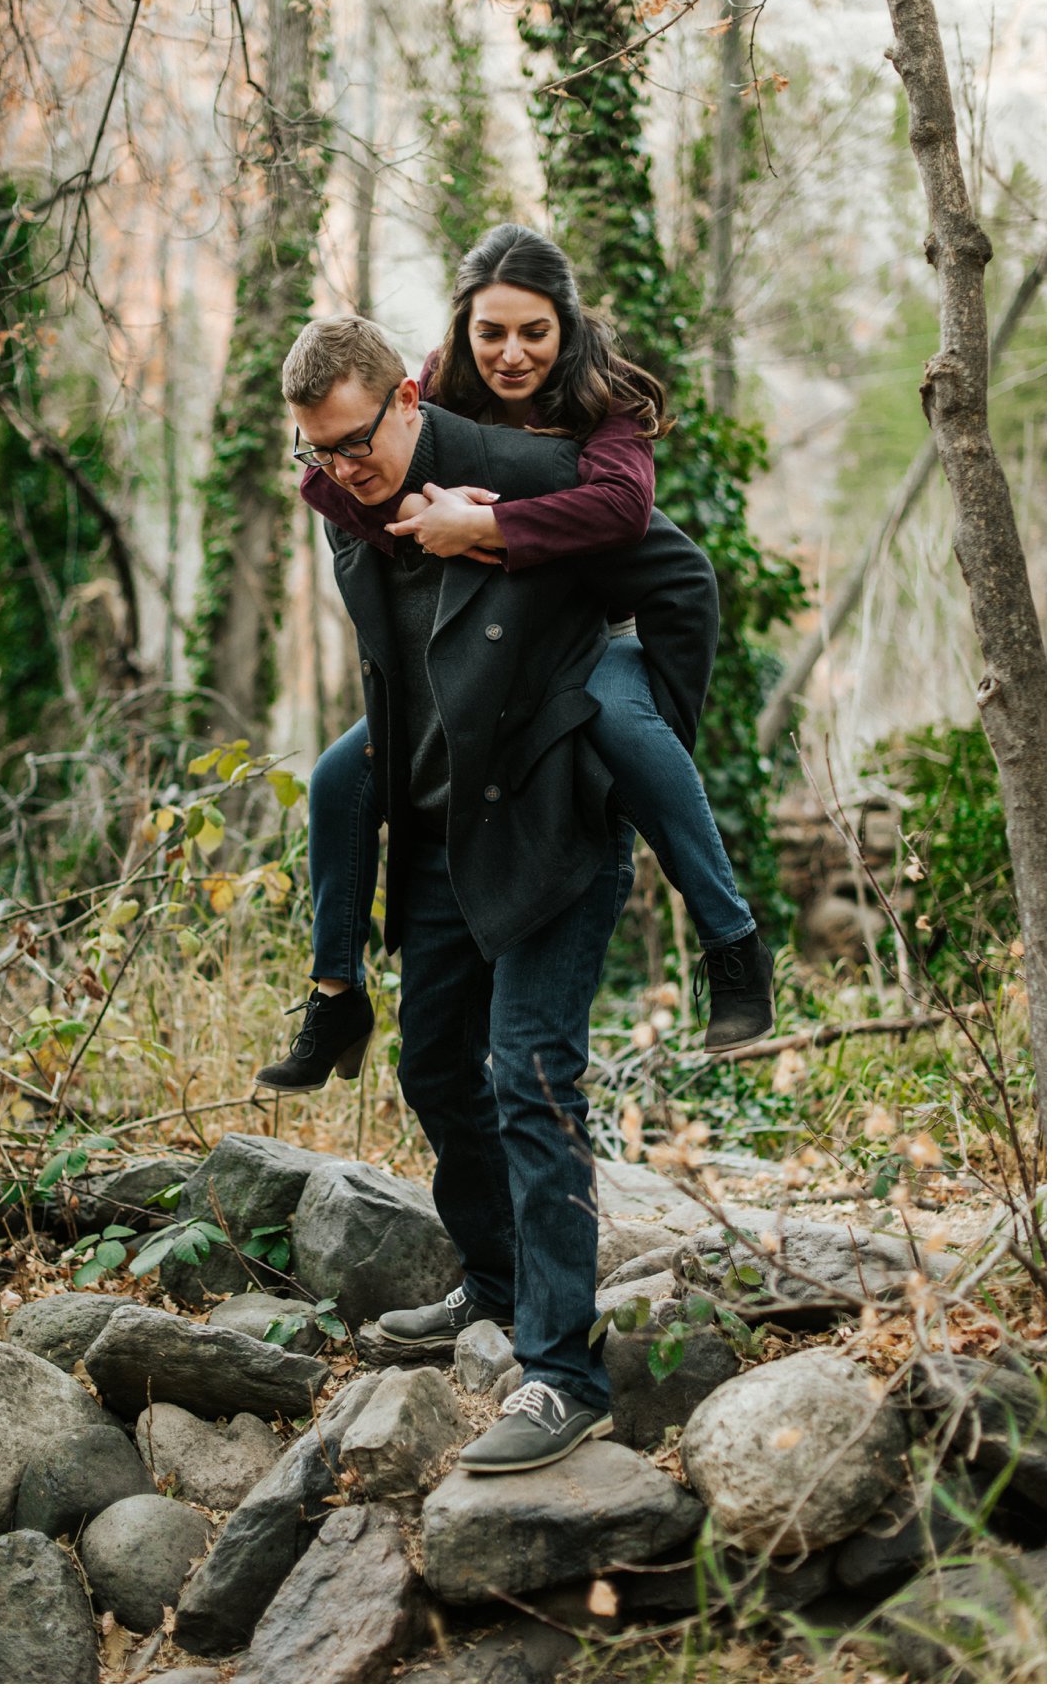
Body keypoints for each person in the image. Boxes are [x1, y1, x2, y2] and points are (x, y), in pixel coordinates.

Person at [277, 312, 719, 1470]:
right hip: (438, 830)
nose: (342, 469)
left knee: (531, 1075)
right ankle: (498, 1281)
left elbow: (674, 568)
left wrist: (642, 729)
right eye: (318, 451)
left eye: (357, 442)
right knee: (432, 1064)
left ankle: (562, 1370)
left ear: (411, 399)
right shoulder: (345, 505)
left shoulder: (524, 480)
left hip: (555, 819)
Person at [257, 226, 773, 1098]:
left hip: (606, 636)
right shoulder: (428, 395)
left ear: (567, 326)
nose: (510, 353)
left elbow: (621, 512)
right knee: (340, 776)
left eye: (533, 331)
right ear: (461, 330)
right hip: (495, 667)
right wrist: (424, 508)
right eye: (489, 331)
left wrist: (485, 528)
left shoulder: (600, 407)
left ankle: (731, 942)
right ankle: (335, 991)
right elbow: (328, 483)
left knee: (615, 716)